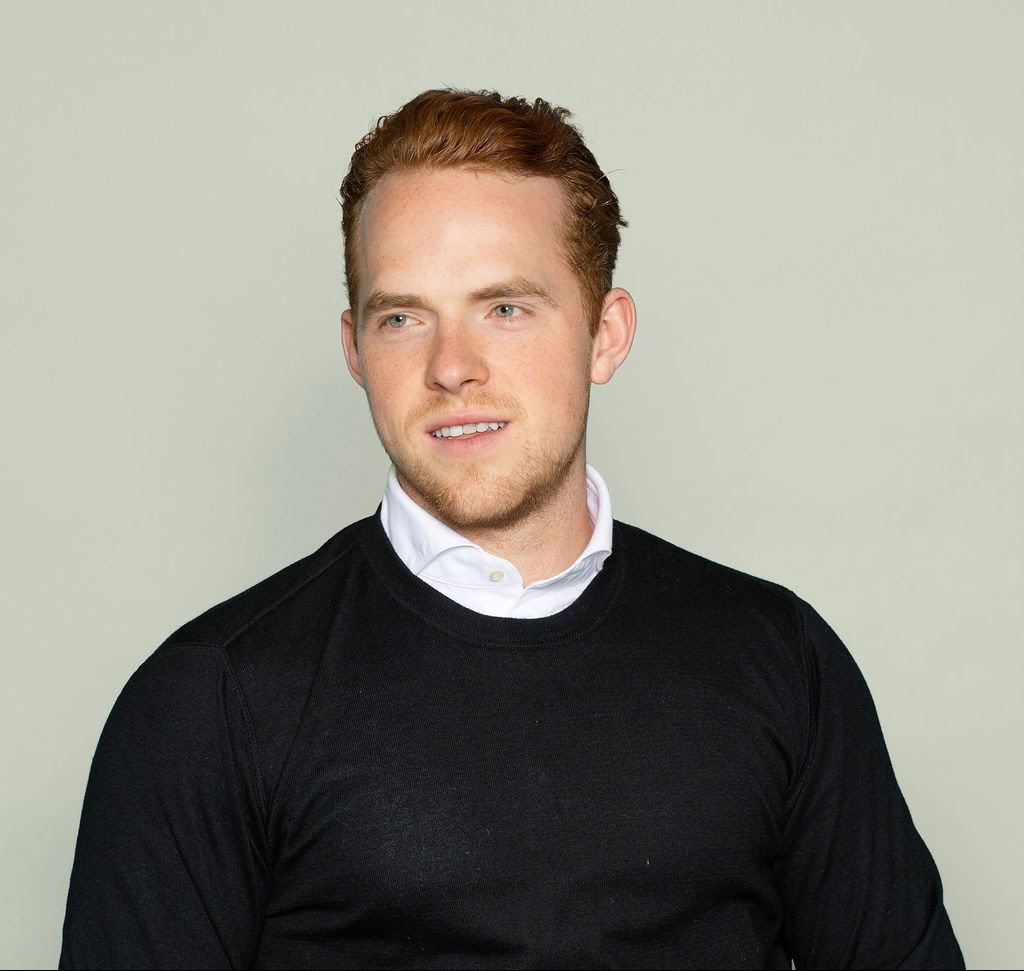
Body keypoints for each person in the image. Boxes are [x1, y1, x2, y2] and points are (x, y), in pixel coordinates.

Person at [60, 88, 964, 970]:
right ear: (355, 349)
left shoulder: (780, 659)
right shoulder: (212, 700)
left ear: (606, 335)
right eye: (403, 317)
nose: (451, 367)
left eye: (505, 308)